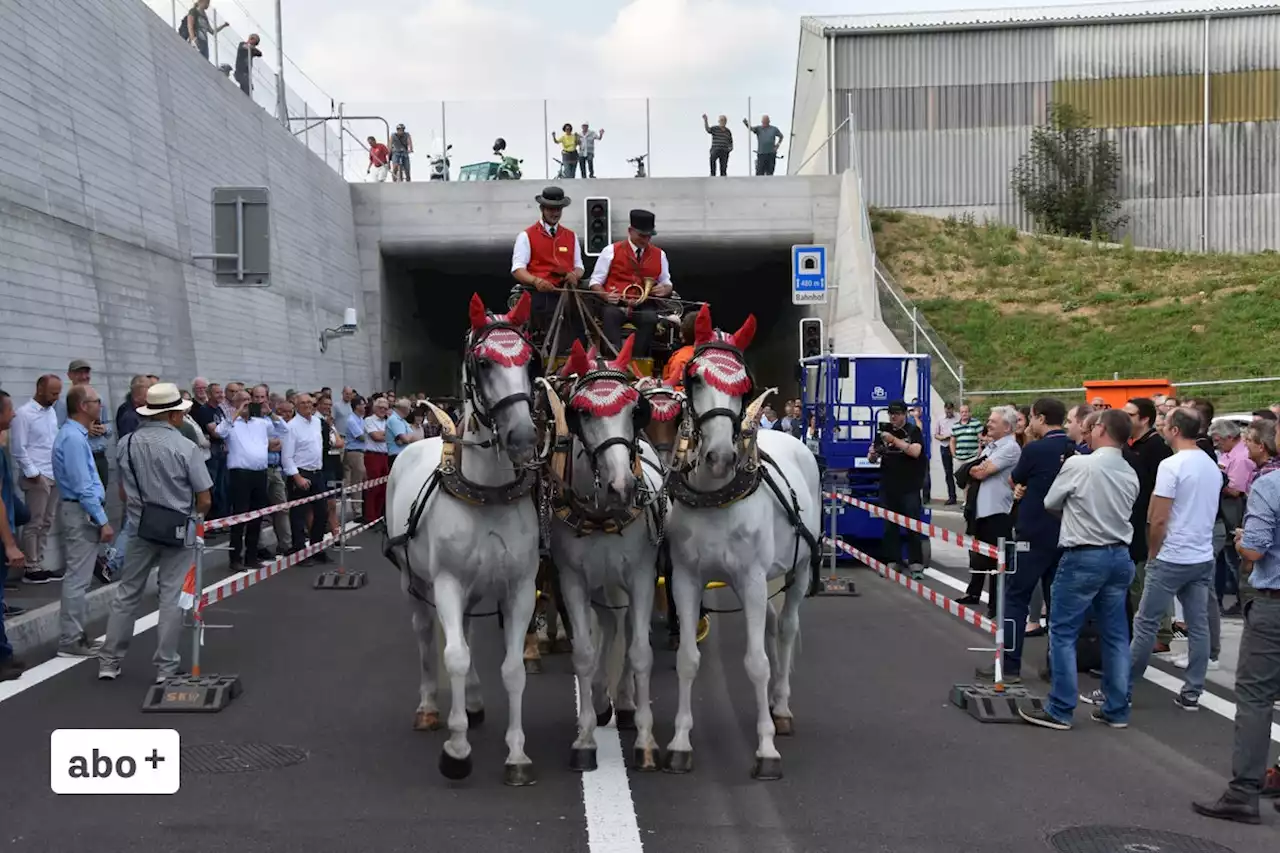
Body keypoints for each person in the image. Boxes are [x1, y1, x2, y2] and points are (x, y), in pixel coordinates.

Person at [1019, 409, 1139, 731]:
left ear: (1100, 428)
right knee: (1115, 635)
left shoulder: (1079, 464)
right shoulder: (1129, 471)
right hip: (1119, 555)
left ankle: (1060, 708)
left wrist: (1076, 517)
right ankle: (1116, 708)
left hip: (1084, 553)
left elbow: (1050, 502)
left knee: (1062, 631)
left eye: (1089, 427)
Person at [97, 383, 212, 683]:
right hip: (178, 527)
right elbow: (204, 498)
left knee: (127, 594)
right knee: (171, 596)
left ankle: (109, 661)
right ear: (174, 415)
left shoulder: (127, 443)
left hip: (139, 527)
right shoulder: (186, 447)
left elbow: (122, 492)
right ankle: (165, 667)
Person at [1192, 450, 1280, 823]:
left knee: (1256, 696)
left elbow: (1256, 550)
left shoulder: (1271, 485)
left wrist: (1243, 541)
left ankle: (1243, 791)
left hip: (1274, 603)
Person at [1123, 408, 1223, 712]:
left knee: (1145, 623)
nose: (1163, 429)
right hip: (1201, 554)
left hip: (1172, 555)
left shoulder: (1171, 465)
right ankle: (1193, 691)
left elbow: (1158, 517)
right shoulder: (1210, 465)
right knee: (1199, 624)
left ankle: (1121, 689)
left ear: (1176, 430)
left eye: (1165, 425)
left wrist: (1153, 552)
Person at [983, 397, 1072, 684]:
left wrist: (1024, 488)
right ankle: (1056, 667)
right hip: (1066, 533)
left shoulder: (1035, 449)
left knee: (1015, 598)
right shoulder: (1076, 449)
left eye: (1031, 418)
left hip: (1032, 532)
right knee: (1057, 603)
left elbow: (1014, 480)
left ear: (1041, 418)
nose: (1029, 423)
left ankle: (1009, 666)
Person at [52, 384, 114, 658]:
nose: (100, 405)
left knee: (80, 578)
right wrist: (103, 520)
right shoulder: (74, 439)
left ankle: (77, 635)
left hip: (79, 510)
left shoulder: (75, 435)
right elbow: (83, 485)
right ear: (82, 406)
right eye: (96, 401)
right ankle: (71, 640)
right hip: (80, 512)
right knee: (77, 578)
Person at [588, 209, 674, 359]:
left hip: (643, 306)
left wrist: (665, 289)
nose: (645, 240)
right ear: (630, 231)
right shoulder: (610, 251)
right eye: (642, 235)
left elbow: (667, 282)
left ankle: (636, 359)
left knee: (650, 319)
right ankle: (615, 358)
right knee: (609, 315)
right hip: (616, 304)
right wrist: (605, 295)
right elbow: (595, 281)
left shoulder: (660, 255)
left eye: (649, 236)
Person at [511, 186, 586, 354]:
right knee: (546, 306)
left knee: (587, 312)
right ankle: (551, 352)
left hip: (567, 291)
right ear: (542, 209)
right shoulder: (526, 236)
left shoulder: (571, 236)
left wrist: (575, 275)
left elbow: (579, 266)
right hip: (540, 292)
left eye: (558, 209)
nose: (555, 213)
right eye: (551, 209)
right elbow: (518, 269)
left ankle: (581, 353)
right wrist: (536, 281)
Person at [868, 401, 926, 579]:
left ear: (904, 414)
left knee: (912, 525)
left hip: (909, 485)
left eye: (897, 413)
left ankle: (916, 562)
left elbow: (916, 452)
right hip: (888, 484)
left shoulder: (913, 431)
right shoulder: (883, 433)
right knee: (889, 527)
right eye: (891, 414)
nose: (893, 417)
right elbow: (872, 458)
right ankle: (893, 561)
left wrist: (894, 441)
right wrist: (873, 453)